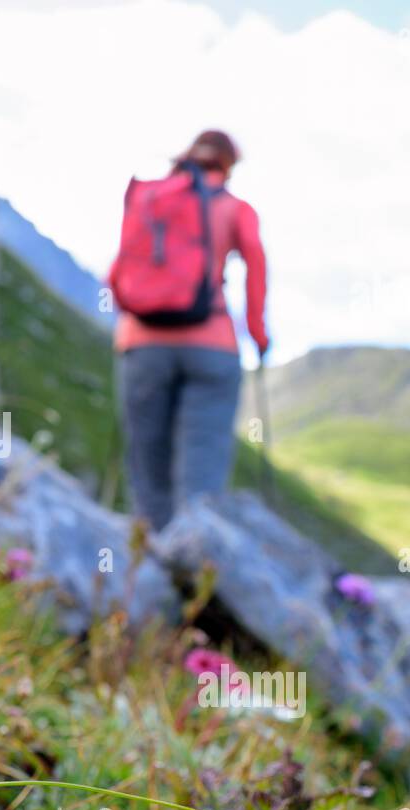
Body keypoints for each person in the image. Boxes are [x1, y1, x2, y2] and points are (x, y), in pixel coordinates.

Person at [110, 129, 268, 531]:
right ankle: (197, 565)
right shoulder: (235, 208)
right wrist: (257, 333)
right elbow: (256, 266)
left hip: (142, 343)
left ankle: (147, 565)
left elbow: (117, 272)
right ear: (228, 165)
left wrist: (132, 318)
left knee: (148, 469)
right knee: (201, 475)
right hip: (212, 345)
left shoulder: (152, 199)